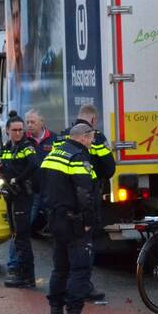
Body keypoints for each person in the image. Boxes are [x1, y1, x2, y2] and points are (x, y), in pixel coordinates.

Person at [40, 123, 99, 314]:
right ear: (83, 138)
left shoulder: (54, 155)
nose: (92, 143)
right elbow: (85, 192)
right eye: (91, 138)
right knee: (80, 270)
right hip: (75, 222)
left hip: (55, 219)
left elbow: (41, 186)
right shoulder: (77, 157)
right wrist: (89, 220)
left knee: (60, 269)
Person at [59, 104, 115, 302]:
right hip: (87, 196)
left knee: (64, 247)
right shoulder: (97, 138)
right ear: (93, 120)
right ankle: (84, 285)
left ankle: (68, 284)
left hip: (63, 201)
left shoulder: (63, 136)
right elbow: (109, 169)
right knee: (85, 244)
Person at [0, 113, 40, 288]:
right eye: (14, 130)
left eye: (21, 130)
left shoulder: (26, 147)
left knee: (22, 237)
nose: (18, 133)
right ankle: (22, 273)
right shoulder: (7, 148)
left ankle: (27, 276)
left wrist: (17, 179)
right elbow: (8, 168)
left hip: (22, 195)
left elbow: (33, 165)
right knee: (15, 235)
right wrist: (0, 169)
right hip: (10, 195)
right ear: (7, 131)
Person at [25, 109, 55, 239]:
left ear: (42, 122)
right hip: (31, 189)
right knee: (26, 223)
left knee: (55, 224)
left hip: (50, 189)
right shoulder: (24, 140)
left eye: (33, 122)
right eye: (28, 122)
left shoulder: (54, 139)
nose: (30, 125)